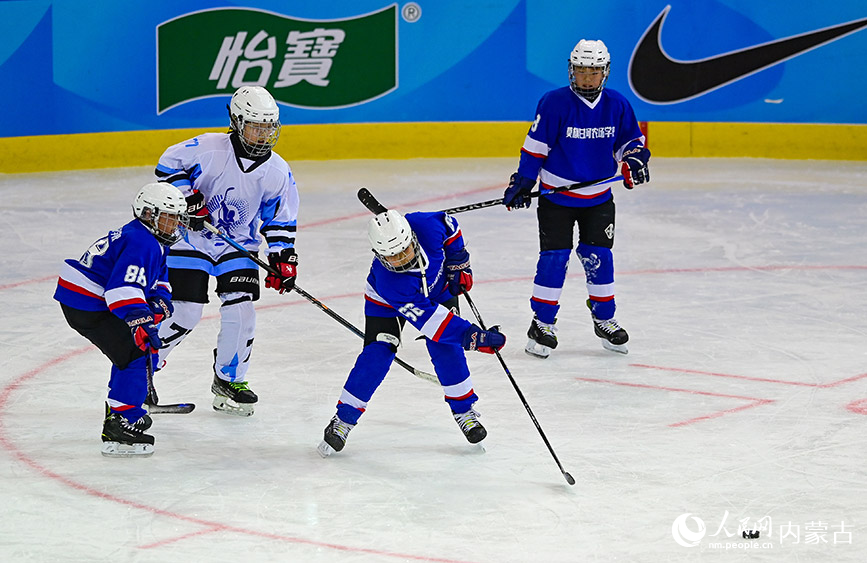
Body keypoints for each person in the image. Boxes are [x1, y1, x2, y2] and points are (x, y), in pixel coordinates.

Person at [153, 85, 300, 416]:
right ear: (236, 122)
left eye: (268, 127)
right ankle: (143, 367)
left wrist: (282, 257)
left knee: (242, 310)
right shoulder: (208, 148)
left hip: (238, 245)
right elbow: (167, 166)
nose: (262, 135)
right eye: (255, 126)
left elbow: (280, 218)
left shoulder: (277, 170)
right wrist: (187, 196)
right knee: (185, 312)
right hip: (190, 240)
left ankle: (229, 380)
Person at [503, 39, 650, 358]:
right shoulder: (554, 103)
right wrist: (523, 181)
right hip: (557, 198)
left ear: (605, 74)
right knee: (554, 259)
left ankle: (605, 318)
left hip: (598, 198)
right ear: (571, 71)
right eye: (581, 71)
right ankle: (542, 323)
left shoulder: (617, 104)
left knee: (600, 257)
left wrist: (636, 158)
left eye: (593, 73)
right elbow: (535, 148)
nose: (586, 79)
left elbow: (629, 141)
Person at [318, 209, 506, 456]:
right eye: (392, 257)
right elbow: (434, 324)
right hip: (385, 303)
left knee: (446, 348)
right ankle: (344, 419)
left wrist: (458, 261)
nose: (401, 259)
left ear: (411, 238)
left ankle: (464, 411)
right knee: (378, 353)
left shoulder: (425, 224)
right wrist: (475, 337)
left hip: (438, 288)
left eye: (404, 250)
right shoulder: (391, 282)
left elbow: (450, 228)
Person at [54, 183, 188, 456]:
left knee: (136, 352)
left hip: (88, 299)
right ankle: (121, 421)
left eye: (177, 217)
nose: (175, 224)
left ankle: (127, 407)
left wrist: (159, 301)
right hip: (88, 304)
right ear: (148, 213)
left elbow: (157, 280)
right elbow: (121, 290)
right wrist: (139, 320)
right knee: (137, 352)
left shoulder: (152, 239)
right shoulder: (143, 242)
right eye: (168, 216)